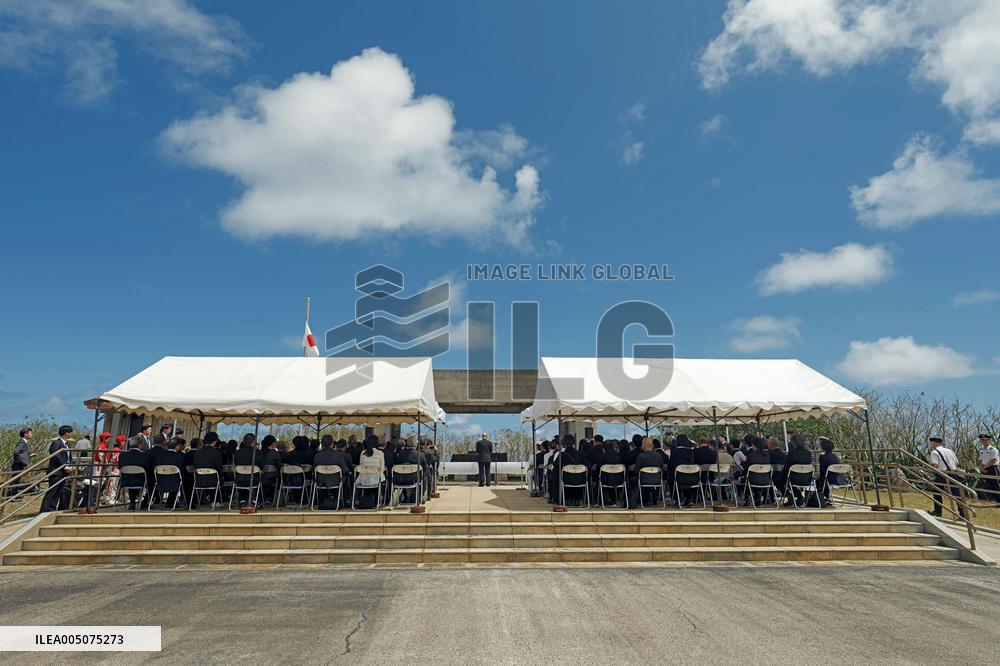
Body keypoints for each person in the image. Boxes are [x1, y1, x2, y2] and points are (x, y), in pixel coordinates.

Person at [928, 436, 966, 519]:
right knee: (957, 494)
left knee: (936, 491)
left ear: (934, 443)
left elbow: (935, 465)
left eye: (931, 443)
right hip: (953, 473)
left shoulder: (934, 452)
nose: (931, 445)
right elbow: (956, 462)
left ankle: (938, 512)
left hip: (942, 474)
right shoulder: (950, 451)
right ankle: (963, 514)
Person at [41, 425, 74, 512]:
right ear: (66, 433)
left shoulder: (67, 444)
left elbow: (69, 456)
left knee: (58, 492)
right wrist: (64, 465)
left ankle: (52, 509)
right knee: (52, 492)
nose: (71, 434)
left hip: (64, 472)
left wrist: (71, 465)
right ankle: (44, 510)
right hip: (56, 471)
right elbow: (56, 456)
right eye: (70, 432)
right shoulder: (56, 443)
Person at [118, 441, 152, 510]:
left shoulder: (122, 455)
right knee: (152, 480)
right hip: (141, 481)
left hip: (126, 481)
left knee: (132, 477)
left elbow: (119, 467)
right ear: (139, 445)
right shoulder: (144, 456)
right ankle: (145, 502)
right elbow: (149, 468)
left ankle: (132, 502)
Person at [783, 435, 814, 507]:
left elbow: (787, 467)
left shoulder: (792, 453)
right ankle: (798, 497)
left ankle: (793, 496)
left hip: (793, 478)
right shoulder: (808, 453)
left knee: (781, 479)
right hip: (807, 479)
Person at [233, 434, 262, 509]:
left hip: (239, 480)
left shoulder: (236, 453)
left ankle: (242, 500)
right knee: (264, 480)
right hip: (254, 480)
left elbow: (235, 466)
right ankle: (255, 501)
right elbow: (261, 467)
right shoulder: (258, 453)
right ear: (254, 442)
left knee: (241, 477)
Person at [356, 436, 386, 508]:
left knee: (370, 478)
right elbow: (382, 468)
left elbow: (361, 466)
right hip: (376, 479)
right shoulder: (380, 453)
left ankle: (367, 501)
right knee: (380, 478)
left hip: (364, 480)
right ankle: (376, 502)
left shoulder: (363, 453)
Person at [635, 437, 665, 506]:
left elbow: (636, 471)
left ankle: (638, 500)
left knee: (631, 481)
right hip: (657, 480)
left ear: (644, 445)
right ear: (652, 445)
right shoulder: (658, 455)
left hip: (643, 480)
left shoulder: (641, 456)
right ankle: (654, 498)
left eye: (642, 444)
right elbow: (662, 468)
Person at [817, 437, 844, 507]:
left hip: (830, 479)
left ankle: (822, 498)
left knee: (820, 480)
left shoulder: (823, 457)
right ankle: (827, 497)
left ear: (823, 448)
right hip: (841, 479)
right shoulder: (836, 457)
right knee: (825, 479)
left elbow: (822, 471)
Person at [977, 434, 1000, 506]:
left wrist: (984, 467)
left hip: (992, 468)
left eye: (985, 440)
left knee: (996, 485)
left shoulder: (993, 450)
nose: (983, 442)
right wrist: (981, 467)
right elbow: (980, 460)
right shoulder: (981, 450)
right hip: (984, 468)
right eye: (982, 440)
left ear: (989, 441)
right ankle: (996, 501)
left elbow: (993, 460)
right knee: (989, 485)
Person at [11, 428, 32, 497]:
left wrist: (29, 456)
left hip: (19, 464)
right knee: (15, 480)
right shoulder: (22, 442)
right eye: (30, 433)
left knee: (17, 479)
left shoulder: (24, 442)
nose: (32, 434)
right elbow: (16, 452)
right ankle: (13, 496)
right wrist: (22, 461)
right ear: (25, 434)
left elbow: (21, 453)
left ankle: (15, 495)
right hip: (18, 464)